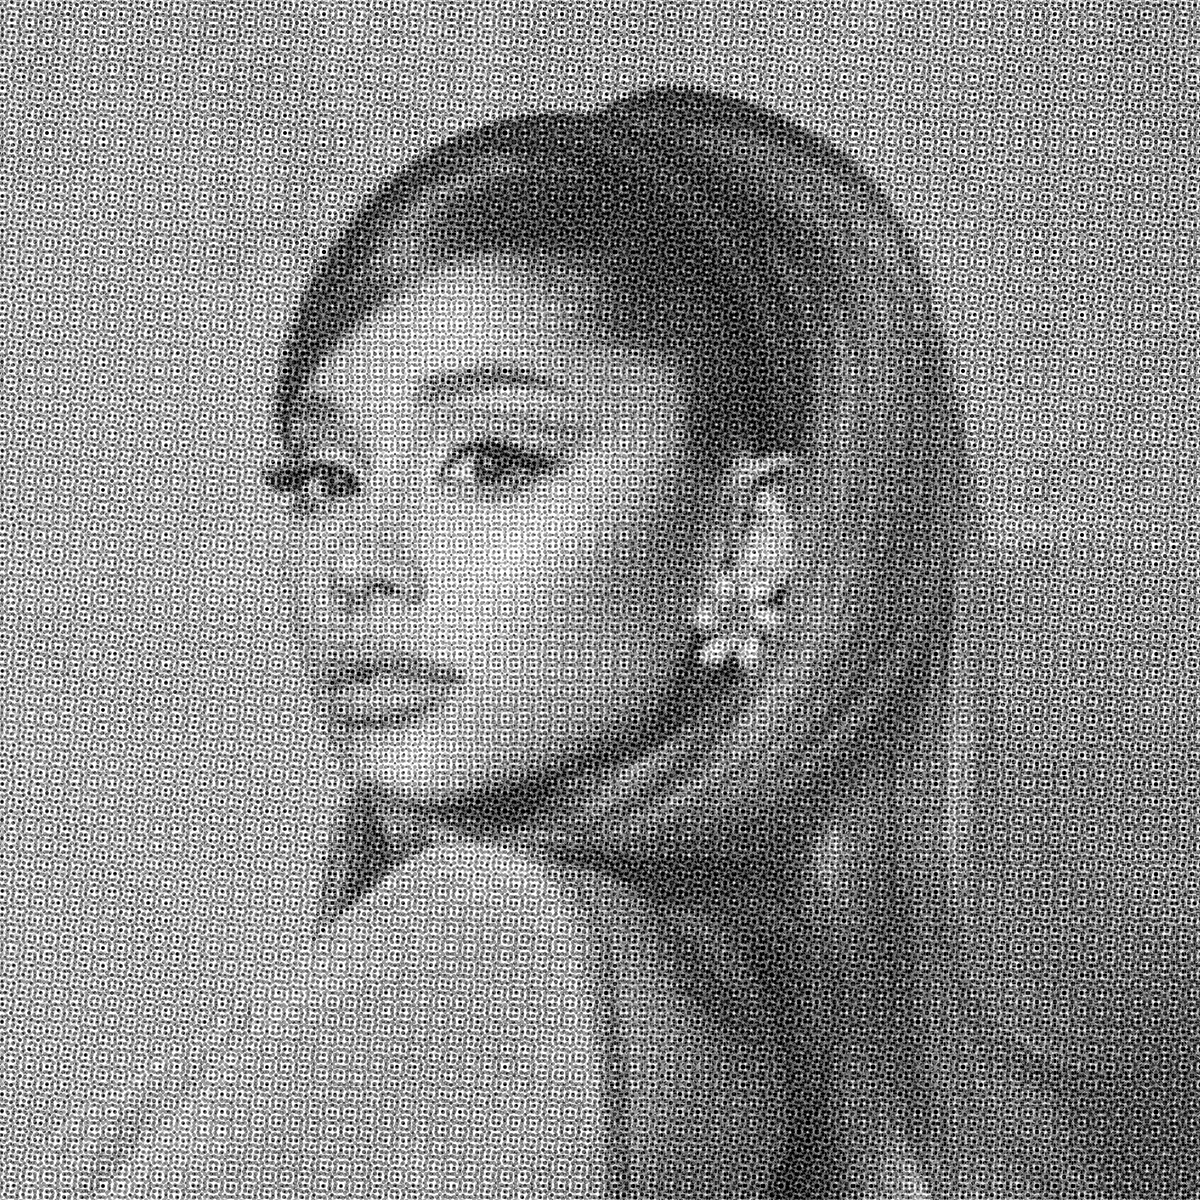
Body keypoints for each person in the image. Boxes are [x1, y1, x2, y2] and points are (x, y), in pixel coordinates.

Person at [82, 85, 980, 1198]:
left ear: (750, 537)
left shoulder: (488, 941)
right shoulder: (743, 1008)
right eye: (326, 477)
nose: (361, 563)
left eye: (493, 461)